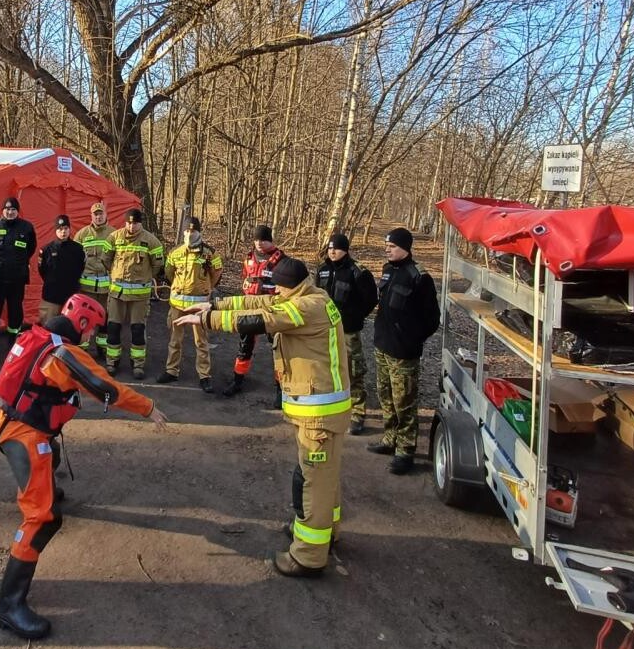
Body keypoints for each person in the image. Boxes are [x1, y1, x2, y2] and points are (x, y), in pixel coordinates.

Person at [0, 293, 169, 639]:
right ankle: (9, 607)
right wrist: (147, 407)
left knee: (50, 459)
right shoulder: (63, 353)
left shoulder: (38, 335)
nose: (92, 338)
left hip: (9, 418)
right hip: (24, 434)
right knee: (42, 519)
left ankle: (47, 487)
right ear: (83, 323)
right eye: (92, 331)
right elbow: (106, 388)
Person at [176, 256, 348, 577]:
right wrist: (216, 305)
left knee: (314, 481)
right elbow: (260, 300)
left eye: (279, 289)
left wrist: (209, 321)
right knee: (322, 478)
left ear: (291, 286)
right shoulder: (310, 295)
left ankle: (309, 556)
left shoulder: (304, 308)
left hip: (319, 412)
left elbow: (260, 319)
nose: (275, 294)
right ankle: (326, 531)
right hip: (321, 409)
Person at [368, 227, 440, 475]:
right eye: (386, 246)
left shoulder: (419, 277)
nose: (387, 249)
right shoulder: (388, 270)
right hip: (383, 345)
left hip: (404, 352)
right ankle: (390, 439)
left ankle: (405, 450)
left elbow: (432, 319)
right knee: (385, 396)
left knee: (404, 402)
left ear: (406, 248)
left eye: (392, 246)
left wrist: (411, 339)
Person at [314, 233, 379, 435]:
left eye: (337, 248)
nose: (332, 252)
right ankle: (331, 408)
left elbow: (370, 300)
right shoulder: (322, 270)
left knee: (353, 371)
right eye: (330, 248)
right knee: (326, 369)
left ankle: (357, 413)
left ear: (346, 250)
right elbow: (316, 296)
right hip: (325, 331)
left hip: (348, 331)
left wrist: (354, 317)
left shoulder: (358, 272)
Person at [160, 216, 222, 392]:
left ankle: (204, 376)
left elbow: (217, 272)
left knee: (201, 342)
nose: (189, 234)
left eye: (192, 231)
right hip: (177, 304)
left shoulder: (209, 253)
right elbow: (169, 273)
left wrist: (207, 287)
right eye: (187, 231)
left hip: (199, 306)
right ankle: (171, 371)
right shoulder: (175, 252)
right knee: (175, 340)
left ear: (199, 232)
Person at [223, 224, 284, 396]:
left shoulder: (281, 260)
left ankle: (281, 389)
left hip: (272, 309)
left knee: (278, 348)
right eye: (256, 239)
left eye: (263, 240)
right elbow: (246, 278)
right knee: (245, 346)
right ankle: (237, 380)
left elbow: (286, 286)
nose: (259, 243)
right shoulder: (249, 257)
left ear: (270, 240)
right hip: (250, 307)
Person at [0, 196, 38, 369]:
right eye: (7, 209)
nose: (10, 212)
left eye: (13, 209)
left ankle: (13, 354)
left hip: (16, 281)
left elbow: (31, 249)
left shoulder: (26, 228)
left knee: (15, 317)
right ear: (2, 210)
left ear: (18, 211)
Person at [105, 208, 164, 379]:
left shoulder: (151, 241)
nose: (132, 226)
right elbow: (106, 260)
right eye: (129, 223)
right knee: (113, 328)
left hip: (139, 297)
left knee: (138, 330)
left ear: (141, 223)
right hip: (117, 295)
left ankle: (137, 364)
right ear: (125, 222)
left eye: (135, 223)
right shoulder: (114, 237)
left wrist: (144, 278)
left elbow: (157, 266)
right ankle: (112, 361)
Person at [74, 201, 115, 358]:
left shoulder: (113, 234)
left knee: (105, 318)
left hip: (106, 287)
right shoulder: (82, 234)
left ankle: (102, 347)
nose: (98, 217)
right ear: (91, 216)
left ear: (106, 214)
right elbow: (75, 258)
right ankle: (83, 348)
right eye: (95, 214)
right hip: (87, 287)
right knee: (85, 318)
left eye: (101, 214)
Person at [36, 214, 86, 324]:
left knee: (70, 328)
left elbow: (81, 267)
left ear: (69, 229)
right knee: (48, 328)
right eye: (60, 229)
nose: (63, 232)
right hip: (51, 297)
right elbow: (42, 271)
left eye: (66, 228)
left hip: (71, 297)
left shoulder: (78, 249)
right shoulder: (46, 250)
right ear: (55, 230)